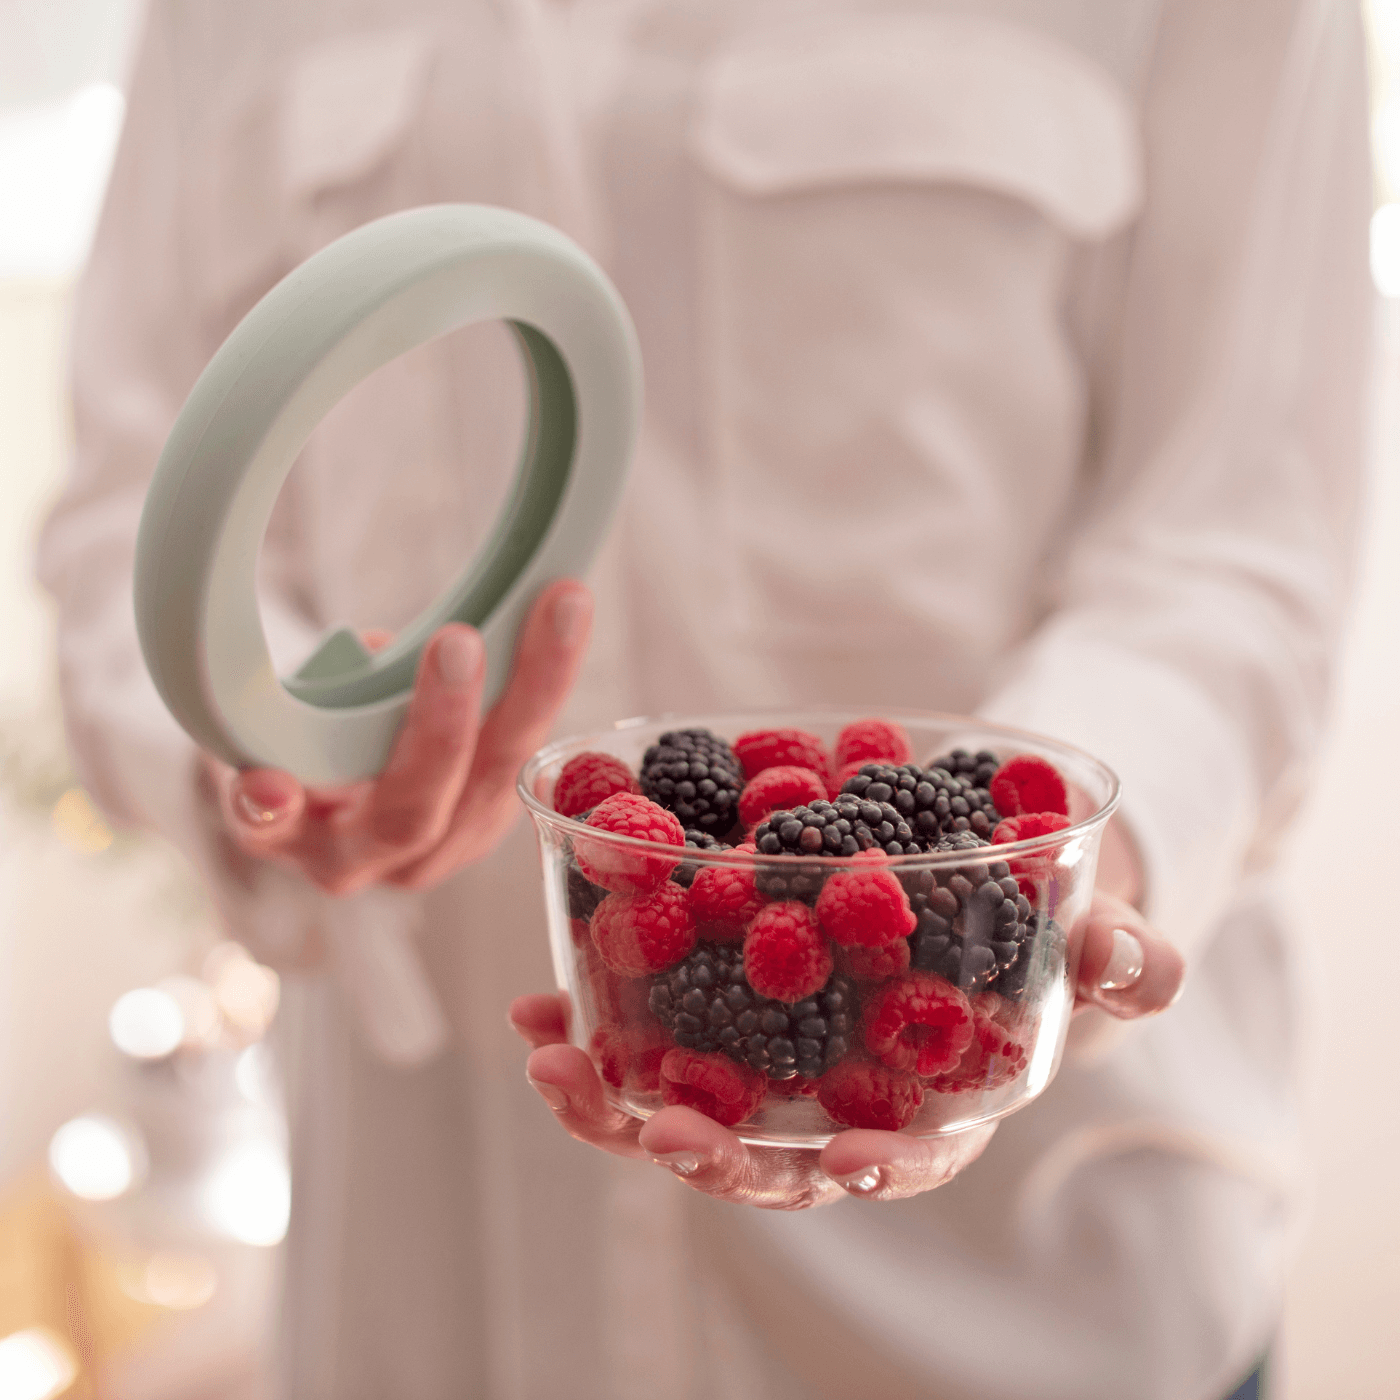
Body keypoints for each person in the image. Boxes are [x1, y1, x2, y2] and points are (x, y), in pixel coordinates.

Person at [37, 0, 1371, 1396]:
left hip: (1029, 1301)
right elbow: (132, 520)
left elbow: (1235, 539)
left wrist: (1012, 903)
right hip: (440, 1295)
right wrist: (275, 756)